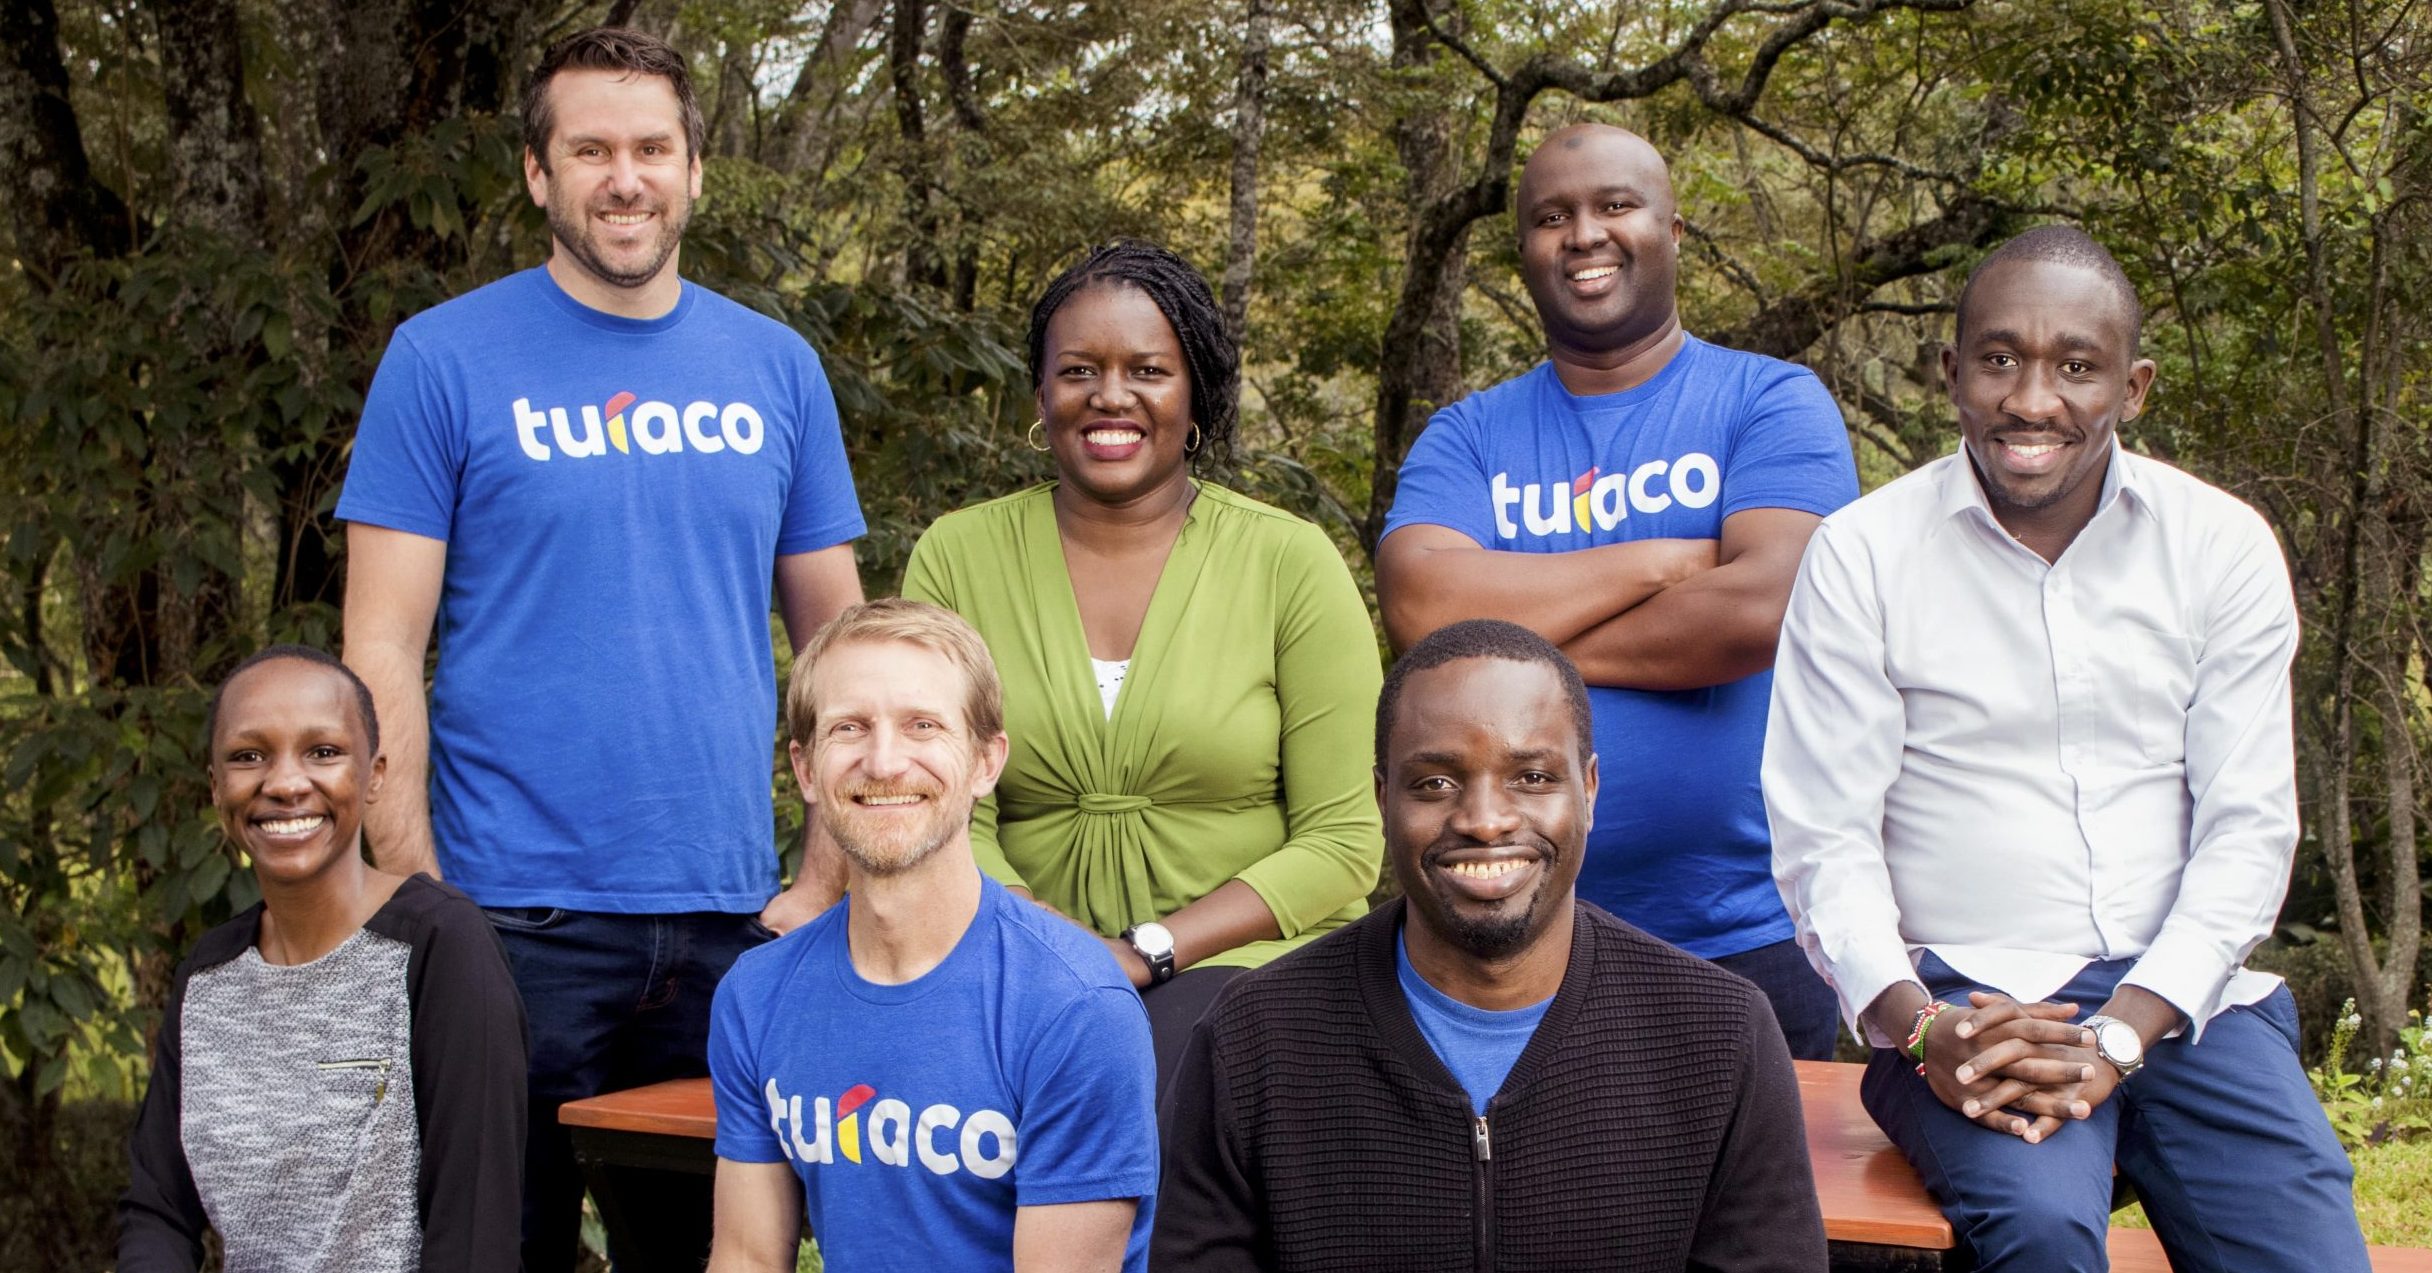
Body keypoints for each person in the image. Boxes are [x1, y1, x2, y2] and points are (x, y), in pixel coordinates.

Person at [334, 27, 866, 1271]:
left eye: (651, 149)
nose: (624, 179)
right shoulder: (441, 358)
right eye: (589, 151)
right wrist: (420, 898)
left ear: (694, 171)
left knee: (715, 1255)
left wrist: (820, 881)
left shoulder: (776, 368)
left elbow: (842, 652)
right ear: (538, 173)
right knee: (490, 1249)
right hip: (509, 919)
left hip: (733, 923)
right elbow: (380, 648)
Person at [1765, 226, 2369, 1272]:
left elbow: (2247, 827)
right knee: (2039, 1234)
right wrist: (1920, 1029)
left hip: (2184, 1001)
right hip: (1965, 1002)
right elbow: (1826, 840)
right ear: (1949, 371)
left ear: (2132, 387)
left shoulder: (2219, 546)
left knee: (2304, 1253)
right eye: (1999, 359)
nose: (2032, 399)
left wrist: (2124, 1031)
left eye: (2076, 367)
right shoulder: (1862, 556)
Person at [1374, 123, 1858, 1059]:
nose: (1584, 234)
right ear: (1525, 249)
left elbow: (1762, 607)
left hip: (1746, 931)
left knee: (1761, 1163)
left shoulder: (1769, 400)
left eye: (1615, 206)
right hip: (1504, 929)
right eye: (1552, 217)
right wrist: (1667, 562)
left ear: (1672, 231)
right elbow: (1424, 610)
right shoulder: (1469, 434)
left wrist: (1508, 647)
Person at [1156, 619, 1825, 1272]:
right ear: (1383, 799)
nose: (1484, 820)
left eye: (1532, 777)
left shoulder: (1719, 1036)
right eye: (1435, 783)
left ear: (1589, 790)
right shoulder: (1254, 1039)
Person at [901, 239, 1382, 1089]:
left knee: (1165, 1072)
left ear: (1194, 394)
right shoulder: (957, 557)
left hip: (1248, 965)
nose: (1110, 395)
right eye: (1079, 370)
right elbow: (940, 811)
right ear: (1041, 394)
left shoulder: (1289, 562)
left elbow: (1343, 839)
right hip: (1011, 951)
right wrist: (1057, 949)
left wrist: (1146, 951)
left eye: (1149, 370)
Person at [706, 599, 1159, 1272]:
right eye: (850, 727)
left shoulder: (1076, 1007)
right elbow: (746, 1257)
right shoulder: (757, 993)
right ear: (805, 769)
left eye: (922, 725)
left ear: (985, 762)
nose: (884, 761)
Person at [118, 646, 526, 1273]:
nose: (284, 784)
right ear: (216, 786)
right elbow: (157, 1210)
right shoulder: (207, 976)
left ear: (374, 775)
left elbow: (474, 1237)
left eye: (324, 752)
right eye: (248, 756)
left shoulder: (443, 947)